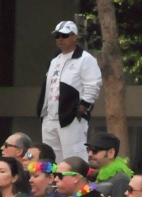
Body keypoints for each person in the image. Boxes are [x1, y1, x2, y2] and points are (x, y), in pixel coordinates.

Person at [39, 21, 101, 162]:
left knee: (74, 156)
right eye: (57, 35)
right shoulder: (54, 59)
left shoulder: (85, 59)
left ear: (75, 37)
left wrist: (81, 108)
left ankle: (77, 183)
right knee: (50, 157)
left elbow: (93, 84)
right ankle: (54, 183)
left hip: (71, 116)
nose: (60, 38)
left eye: (65, 35)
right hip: (49, 117)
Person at [86, 132, 132, 197]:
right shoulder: (94, 177)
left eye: (95, 150)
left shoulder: (120, 179)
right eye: (88, 149)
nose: (90, 154)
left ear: (111, 153)